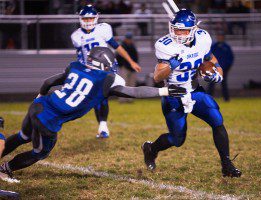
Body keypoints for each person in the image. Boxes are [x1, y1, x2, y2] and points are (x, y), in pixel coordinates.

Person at [0, 47, 186, 183]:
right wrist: (164, 92)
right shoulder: (106, 80)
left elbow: (49, 81)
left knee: (22, 136)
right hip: (49, 120)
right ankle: (5, 169)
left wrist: (39, 97)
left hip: (39, 105)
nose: (111, 69)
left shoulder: (76, 66)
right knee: (39, 152)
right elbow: (134, 92)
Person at [141, 9, 242, 177]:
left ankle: (227, 165)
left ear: (194, 29)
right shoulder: (165, 45)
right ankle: (150, 149)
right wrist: (171, 65)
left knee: (217, 120)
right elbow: (158, 77)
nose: (179, 33)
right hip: (173, 95)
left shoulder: (203, 38)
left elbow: (213, 61)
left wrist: (217, 75)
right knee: (177, 139)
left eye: (184, 30)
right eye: (176, 29)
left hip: (195, 91)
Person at [71, 5, 141, 139]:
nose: (88, 21)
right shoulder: (76, 36)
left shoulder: (103, 29)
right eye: (85, 19)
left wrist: (131, 61)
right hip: (91, 70)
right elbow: (80, 56)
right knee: (99, 98)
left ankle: (103, 126)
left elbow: (117, 46)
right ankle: (103, 126)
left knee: (104, 95)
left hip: (107, 68)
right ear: (80, 19)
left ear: (96, 18)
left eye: (91, 18)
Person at [208, 31, 234, 101]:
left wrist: (226, 67)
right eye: (218, 36)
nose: (219, 37)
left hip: (223, 69)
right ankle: (209, 98)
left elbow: (230, 58)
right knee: (211, 83)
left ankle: (226, 98)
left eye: (221, 36)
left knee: (224, 84)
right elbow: (209, 56)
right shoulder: (214, 46)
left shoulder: (227, 47)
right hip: (213, 68)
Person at [117, 32, 138, 102]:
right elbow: (117, 57)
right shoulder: (122, 46)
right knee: (123, 84)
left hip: (132, 68)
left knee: (131, 84)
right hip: (124, 67)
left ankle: (130, 99)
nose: (129, 40)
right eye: (128, 38)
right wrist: (121, 65)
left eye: (130, 39)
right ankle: (122, 99)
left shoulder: (132, 46)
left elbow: (136, 57)